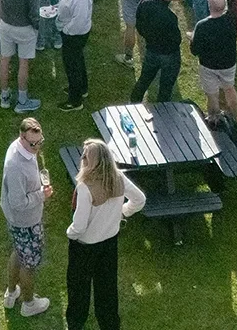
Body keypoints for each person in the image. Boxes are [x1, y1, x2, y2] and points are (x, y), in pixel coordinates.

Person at [64, 139, 145, 330]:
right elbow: (139, 199)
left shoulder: (85, 186)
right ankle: (110, 325)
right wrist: (122, 212)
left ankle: (75, 324)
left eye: (86, 156)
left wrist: (70, 233)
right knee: (107, 289)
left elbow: (80, 224)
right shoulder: (117, 177)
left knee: (79, 289)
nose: (82, 158)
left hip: (84, 246)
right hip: (109, 243)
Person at [0, 117, 53, 318]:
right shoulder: (16, 166)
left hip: (17, 221)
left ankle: (11, 293)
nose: (38, 147)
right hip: (25, 221)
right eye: (33, 144)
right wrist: (42, 195)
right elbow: (18, 203)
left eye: (40, 142)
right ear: (22, 137)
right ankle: (29, 304)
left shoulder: (22, 148)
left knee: (18, 252)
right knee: (29, 265)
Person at [0, 0, 43, 112]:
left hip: (6, 24)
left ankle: (4, 96)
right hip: (25, 28)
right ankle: (22, 101)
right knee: (23, 63)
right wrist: (37, 27)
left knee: (5, 60)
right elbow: (34, 12)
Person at [191, 0, 237, 125]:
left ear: (209, 6)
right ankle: (236, 119)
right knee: (230, 88)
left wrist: (192, 39)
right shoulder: (232, 19)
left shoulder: (202, 25)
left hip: (208, 65)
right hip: (228, 63)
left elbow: (195, 50)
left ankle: (214, 119)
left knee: (212, 94)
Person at [131, 0, 183, 101]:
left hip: (151, 51)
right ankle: (162, 110)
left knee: (144, 79)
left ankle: (133, 103)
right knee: (166, 86)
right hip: (169, 55)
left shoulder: (144, 3)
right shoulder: (170, 17)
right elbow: (177, 40)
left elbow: (139, 25)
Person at [55, 0, 95, 111]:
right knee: (78, 60)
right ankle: (82, 89)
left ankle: (75, 101)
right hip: (73, 31)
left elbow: (78, 21)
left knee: (72, 66)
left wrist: (65, 29)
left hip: (74, 34)